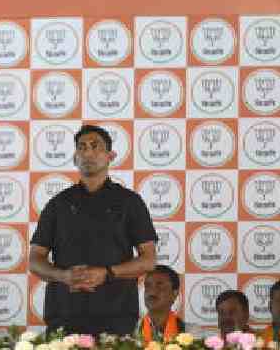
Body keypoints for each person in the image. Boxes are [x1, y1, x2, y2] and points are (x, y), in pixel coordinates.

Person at [28, 124, 158, 335]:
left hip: (117, 317)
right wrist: (63, 276)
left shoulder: (129, 202)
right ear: (74, 157)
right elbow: (35, 260)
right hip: (64, 316)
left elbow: (149, 259)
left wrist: (106, 274)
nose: (88, 152)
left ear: (110, 156)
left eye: (95, 146)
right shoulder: (58, 204)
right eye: (82, 147)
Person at [138, 265, 185, 342]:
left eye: (159, 285)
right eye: (148, 286)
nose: (152, 291)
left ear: (175, 294)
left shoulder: (192, 334)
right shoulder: (130, 332)